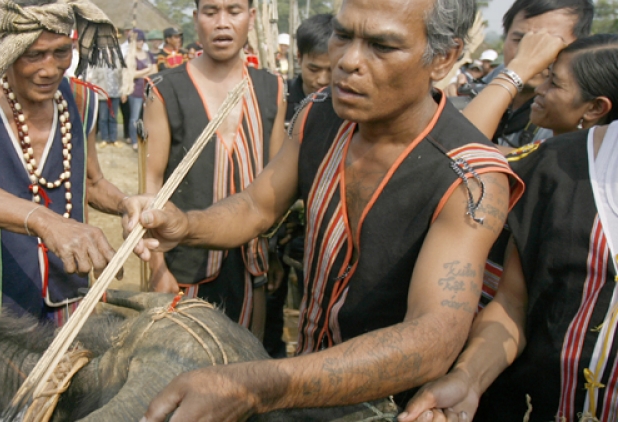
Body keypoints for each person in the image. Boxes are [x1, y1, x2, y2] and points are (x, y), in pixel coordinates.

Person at [126, 0, 523, 419]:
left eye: (382, 46)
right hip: (305, 387)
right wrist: (184, 224)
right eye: (343, 35)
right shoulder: (320, 114)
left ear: (442, 58)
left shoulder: (471, 177)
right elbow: (257, 206)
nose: (348, 61)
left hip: (397, 408)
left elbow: (432, 337)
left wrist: (257, 384)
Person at [397, 33, 618, 422]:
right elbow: (513, 302)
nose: (540, 88)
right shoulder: (554, 164)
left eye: (555, 81)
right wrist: (468, 378)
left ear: (597, 107)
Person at [0, 0, 127, 324]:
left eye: (62, 51)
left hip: (67, 298)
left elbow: (89, 182)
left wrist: (127, 204)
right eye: (33, 54)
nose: (50, 69)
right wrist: (45, 221)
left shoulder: (81, 99)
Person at [142, 0, 287, 339]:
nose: (222, 23)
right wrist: (157, 267)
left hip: (251, 264)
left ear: (250, 17)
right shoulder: (165, 89)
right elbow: (151, 183)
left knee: (244, 371)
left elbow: (278, 187)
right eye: (211, 12)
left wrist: (273, 254)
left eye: (234, 11)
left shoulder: (273, 89)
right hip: (182, 266)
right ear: (196, 19)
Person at [264, 12, 333, 359]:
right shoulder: (279, 103)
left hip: (321, 242)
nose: (322, 80)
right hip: (276, 236)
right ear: (299, 60)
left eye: (330, 71)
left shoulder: (347, 105)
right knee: (271, 318)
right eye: (313, 69)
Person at [487, 0, 593, 148]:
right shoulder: (479, 87)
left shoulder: (576, 113)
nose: (529, 52)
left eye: (546, 43)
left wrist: (516, 72)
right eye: (519, 40)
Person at [125, 29, 155, 150]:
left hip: (148, 89)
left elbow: (155, 70)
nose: (141, 42)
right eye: (138, 40)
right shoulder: (129, 56)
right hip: (135, 89)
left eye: (142, 40)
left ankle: (146, 139)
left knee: (148, 117)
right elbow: (131, 74)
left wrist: (143, 73)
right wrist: (146, 71)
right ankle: (134, 140)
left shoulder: (149, 54)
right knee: (134, 117)